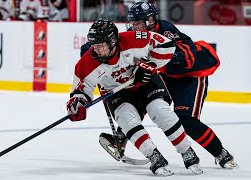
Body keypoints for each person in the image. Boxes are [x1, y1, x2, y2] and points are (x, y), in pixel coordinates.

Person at [99, 2, 238, 169]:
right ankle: (121, 137)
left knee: (186, 121)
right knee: (143, 96)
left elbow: (187, 54)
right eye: (133, 23)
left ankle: (221, 153)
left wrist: (157, 58)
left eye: (139, 23)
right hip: (167, 75)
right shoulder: (135, 35)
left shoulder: (165, 30)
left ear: (150, 20)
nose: (135, 28)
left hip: (190, 76)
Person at [67, 19, 203, 176]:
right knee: (127, 120)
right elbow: (81, 90)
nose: (96, 50)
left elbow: (167, 45)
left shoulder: (133, 39)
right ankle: (154, 156)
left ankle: (187, 151)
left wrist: (147, 65)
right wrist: (77, 104)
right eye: (94, 45)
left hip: (145, 82)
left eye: (100, 45)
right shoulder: (86, 63)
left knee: (160, 111)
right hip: (117, 91)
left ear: (112, 41)